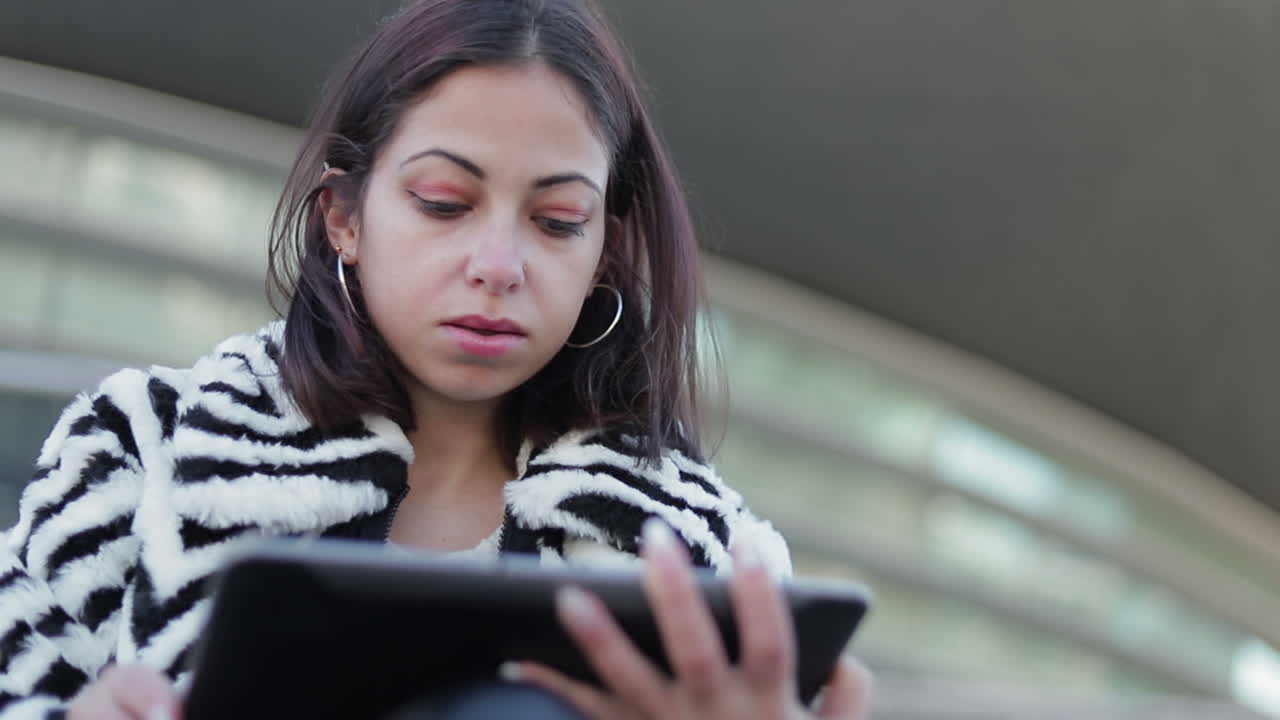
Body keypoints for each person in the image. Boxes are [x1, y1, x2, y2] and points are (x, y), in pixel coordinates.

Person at [0, 0, 871, 718]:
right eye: (444, 202)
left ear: (604, 249)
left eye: (558, 221)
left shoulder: (705, 556)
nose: (498, 265)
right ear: (343, 216)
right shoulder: (144, 449)